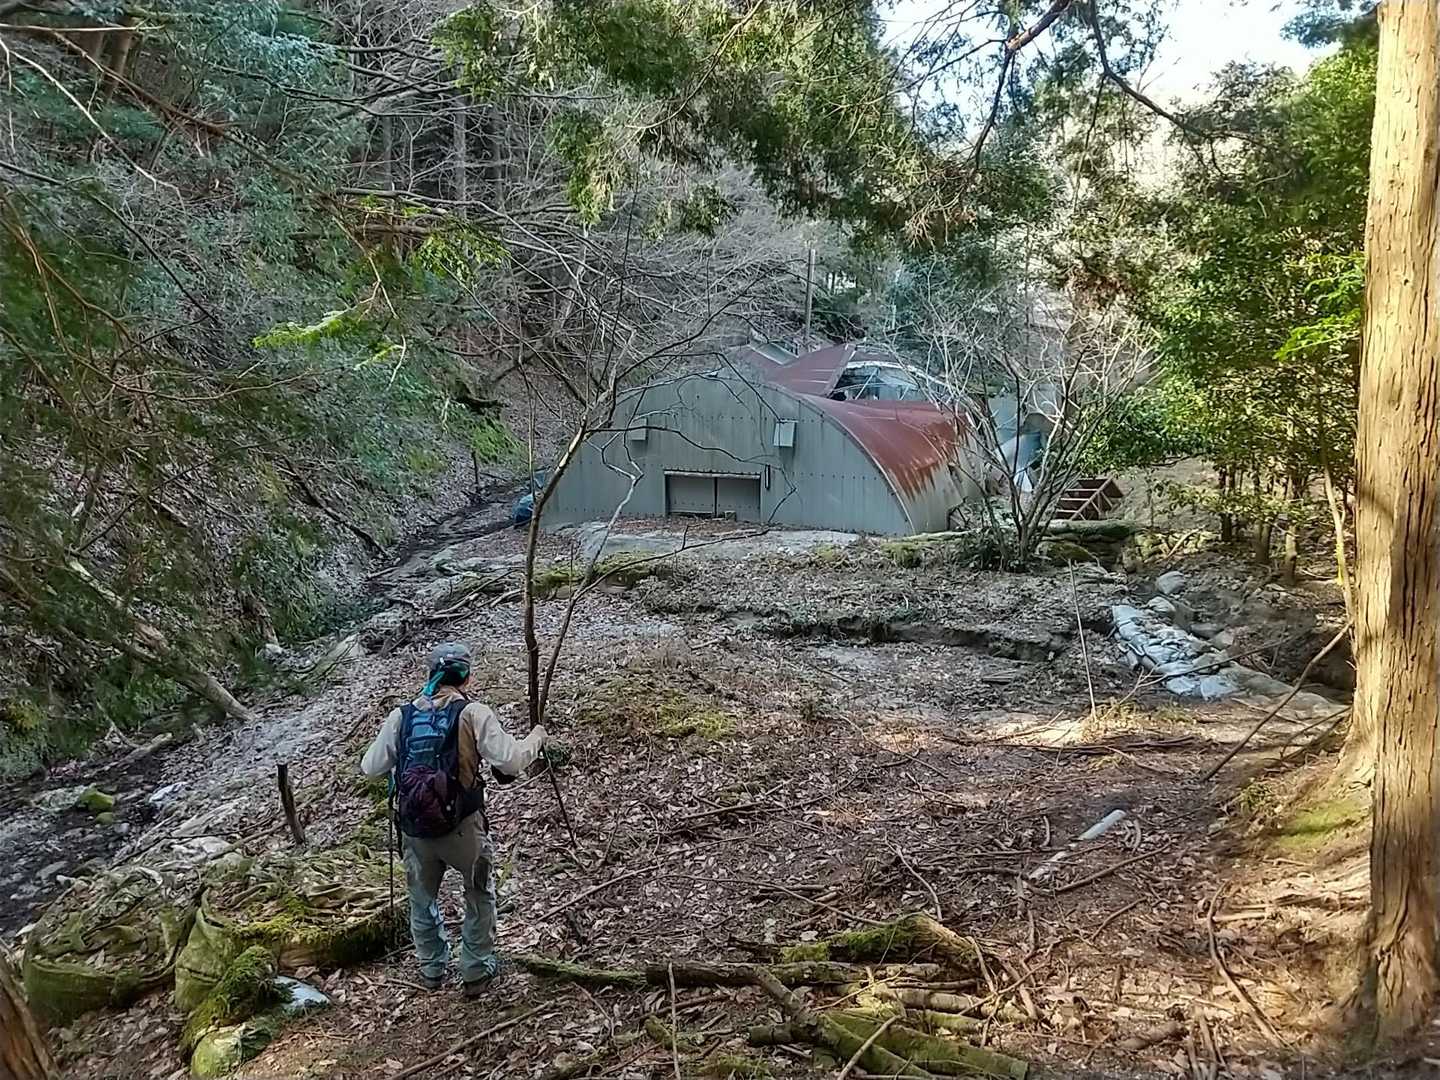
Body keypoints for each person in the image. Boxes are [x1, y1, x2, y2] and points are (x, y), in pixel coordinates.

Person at [361, 642, 546, 996]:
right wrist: (536, 738)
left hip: (416, 830)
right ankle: (475, 970)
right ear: (467, 677)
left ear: (430, 674)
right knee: (478, 893)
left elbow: (370, 768)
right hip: (463, 826)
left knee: (421, 899)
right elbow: (510, 762)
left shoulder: (402, 716)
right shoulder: (473, 713)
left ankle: (432, 968)